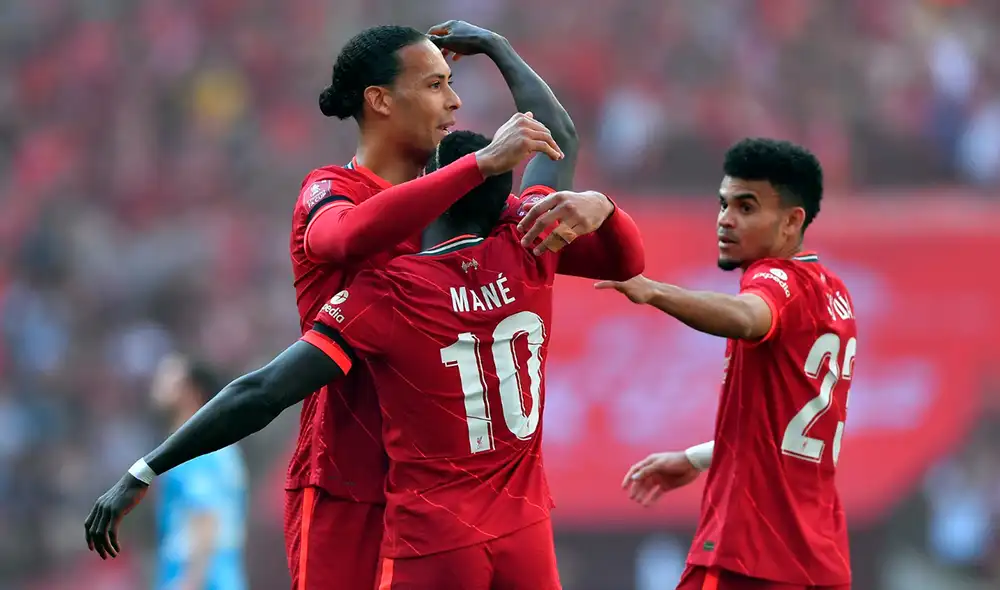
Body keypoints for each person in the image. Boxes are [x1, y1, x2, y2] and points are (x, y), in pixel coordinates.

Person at [83, 126, 644, 590]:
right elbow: (564, 146)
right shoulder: (530, 250)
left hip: (436, 539)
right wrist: (603, 206)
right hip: (526, 530)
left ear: (432, 183)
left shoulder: (392, 290)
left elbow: (264, 393)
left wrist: (144, 468)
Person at [282, 20, 639, 589]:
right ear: (379, 100)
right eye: (433, 85)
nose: (454, 100)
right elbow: (342, 239)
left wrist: (498, 47)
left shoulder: (470, 213)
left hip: (430, 494)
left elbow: (557, 141)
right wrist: (477, 166)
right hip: (345, 480)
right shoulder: (330, 190)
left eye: (451, 81)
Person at [598, 138, 856, 590]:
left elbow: (747, 317)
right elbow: (783, 433)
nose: (725, 219)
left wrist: (654, 291)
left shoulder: (774, 278)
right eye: (723, 204)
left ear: (792, 221)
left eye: (746, 207)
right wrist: (696, 458)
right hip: (819, 561)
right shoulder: (834, 293)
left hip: (752, 554)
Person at [148, 355, 248, 590]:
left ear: (190, 391)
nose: (157, 383)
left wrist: (190, 582)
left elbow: (207, 516)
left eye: (168, 376)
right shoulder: (218, 445)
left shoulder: (195, 448)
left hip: (201, 579)